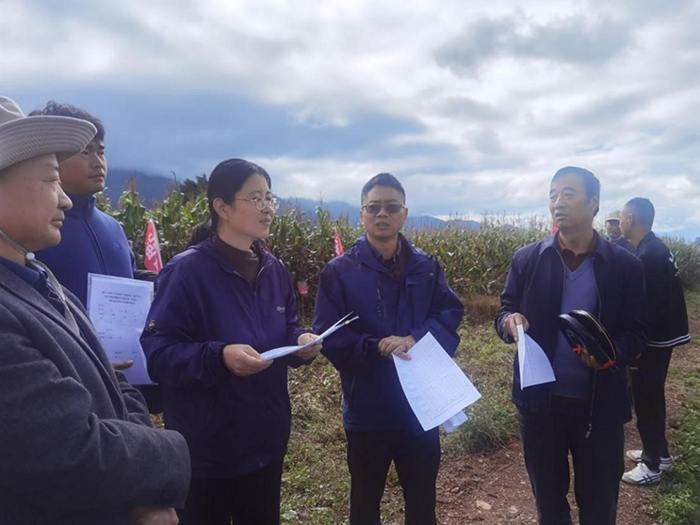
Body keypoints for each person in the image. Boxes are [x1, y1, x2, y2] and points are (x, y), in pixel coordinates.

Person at [0, 97, 190, 523]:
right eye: (51, 179)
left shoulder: (43, 280)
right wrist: (168, 459)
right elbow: (67, 449)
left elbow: (115, 384)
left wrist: (141, 485)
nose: (64, 200)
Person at [140, 158, 321, 525]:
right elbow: (158, 353)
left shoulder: (274, 269)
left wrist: (300, 341)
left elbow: (284, 328)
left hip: (265, 440)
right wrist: (219, 356)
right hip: (208, 449)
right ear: (221, 207)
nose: (268, 207)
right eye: (256, 198)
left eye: (270, 197)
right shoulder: (187, 272)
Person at [495, 166, 647, 525]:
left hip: (600, 409)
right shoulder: (528, 259)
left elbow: (638, 332)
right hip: (539, 406)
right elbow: (504, 309)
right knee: (549, 505)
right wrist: (509, 321)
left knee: (599, 505)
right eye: (553, 195)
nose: (558, 202)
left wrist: (610, 354)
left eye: (568, 194)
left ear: (593, 202)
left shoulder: (624, 266)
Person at [313, 172, 464, 525]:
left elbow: (448, 314)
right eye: (374, 207)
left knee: (422, 500)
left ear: (404, 214)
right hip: (368, 408)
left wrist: (414, 338)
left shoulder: (426, 267)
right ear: (362, 214)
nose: (383, 214)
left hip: (421, 407)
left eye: (392, 207)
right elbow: (328, 335)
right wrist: (375, 347)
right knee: (365, 501)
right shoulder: (339, 272)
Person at [620, 197, 690, 485]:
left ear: (630, 219)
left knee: (646, 399)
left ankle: (651, 466)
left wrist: (637, 345)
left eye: (622, 217)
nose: (619, 222)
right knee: (650, 396)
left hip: (653, 341)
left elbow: (649, 307)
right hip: (663, 337)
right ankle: (660, 454)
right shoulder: (653, 247)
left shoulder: (648, 255)